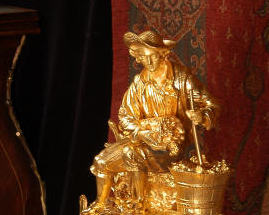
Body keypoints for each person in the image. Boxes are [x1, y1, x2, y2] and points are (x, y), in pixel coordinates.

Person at [91, 30, 220, 203]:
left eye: (153, 56)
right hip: (141, 141)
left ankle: (138, 205)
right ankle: (99, 206)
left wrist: (201, 116)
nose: (149, 62)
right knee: (101, 161)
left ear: (162, 53)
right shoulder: (139, 84)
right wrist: (143, 132)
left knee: (131, 153)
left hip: (169, 148)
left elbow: (211, 104)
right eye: (144, 57)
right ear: (138, 57)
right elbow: (125, 118)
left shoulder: (182, 79)